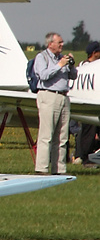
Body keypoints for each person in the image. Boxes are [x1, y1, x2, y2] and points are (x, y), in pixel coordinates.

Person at [31, 32, 74, 174]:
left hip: (63, 96)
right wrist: (59, 65)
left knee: (62, 136)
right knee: (46, 135)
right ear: (50, 44)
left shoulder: (61, 58)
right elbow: (43, 75)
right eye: (59, 42)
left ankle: (59, 169)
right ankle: (41, 169)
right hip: (48, 95)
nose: (62, 45)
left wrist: (71, 65)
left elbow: (73, 76)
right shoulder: (41, 57)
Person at [75, 42, 100, 166]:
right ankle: (83, 156)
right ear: (94, 53)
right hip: (87, 100)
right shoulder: (84, 66)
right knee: (87, 130)